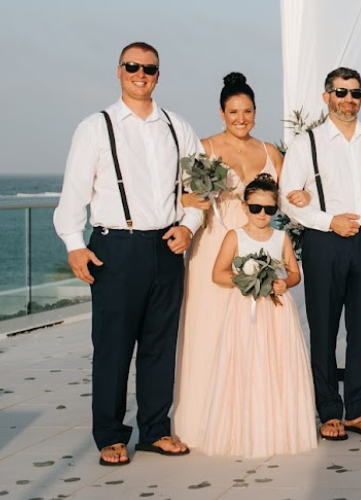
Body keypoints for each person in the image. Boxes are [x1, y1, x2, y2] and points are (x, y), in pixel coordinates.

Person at [53, 41, 199, 465]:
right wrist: (75, 245)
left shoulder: (177, 126)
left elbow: (197, 190)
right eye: (132, 66)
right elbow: (73, 196)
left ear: (158, 74)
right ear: (118, 71)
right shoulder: (95, 127)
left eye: (149, 68)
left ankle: (155, 429)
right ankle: (111, 434)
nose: (141, 74)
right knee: (114, 347)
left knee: (160, 345)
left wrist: (189, 227)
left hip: (167, 247)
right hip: (115, 247)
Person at [174, 72, 303, 447]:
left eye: (247, 111)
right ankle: (203, 422)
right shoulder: (205, 149)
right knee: (209, 333)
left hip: (260, 248)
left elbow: (290, 197)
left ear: (256, 113)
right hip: (214, 245)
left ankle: (257, 420)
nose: (241, 118)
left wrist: (302, 199)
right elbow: (182, 197)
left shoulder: (270, 154)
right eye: (234, 111)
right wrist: (187, 202)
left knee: (258, 336)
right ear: (221, 112)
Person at [279, 67, 361, 440]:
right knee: (324, 327)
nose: (349, 99)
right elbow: (288, 197)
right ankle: (330, 411)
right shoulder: (307, 144)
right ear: (326, 96)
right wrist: (328, 220)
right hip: (324, 241)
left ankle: (357, 411)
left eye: (355, 93)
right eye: (341, 92)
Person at [196, 174, 317, 457]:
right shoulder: (234, 236)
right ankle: (248, 428)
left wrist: (284, 282)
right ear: (245, 206)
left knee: (277, 365)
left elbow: (295, 272)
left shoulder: (281, 237)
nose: (262, 215)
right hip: (245, 310)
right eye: (256, 208)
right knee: (248, 364)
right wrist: (249, 282)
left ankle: (280, 429)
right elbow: (219, 273)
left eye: (269, 209)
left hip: (276, 310)